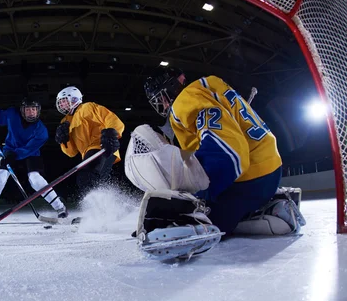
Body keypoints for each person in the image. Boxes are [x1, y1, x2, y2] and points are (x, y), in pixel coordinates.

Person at [124, 68, 304, 259]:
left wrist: (199, 200)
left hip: (247, 179)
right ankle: (268, 210)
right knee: (227, 212)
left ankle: (210, 220)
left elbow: (229, 153)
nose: (163, 104)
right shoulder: (210, 86)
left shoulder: (186, 101)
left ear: (173, 86)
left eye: (161, 97)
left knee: (191, 220)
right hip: (267, 171)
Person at [0, 98, 68, 222]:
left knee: (36, 179)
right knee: (0, 175)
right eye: (28, 109)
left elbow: (28, 149)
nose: (31, 112)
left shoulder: (42, 131)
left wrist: (12, 156)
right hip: (10, 150)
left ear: (38, 111)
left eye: (34, 109)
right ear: (22, 110)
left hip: (31, 154)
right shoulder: (12, 114)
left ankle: (60, 208)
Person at [53, 86, 125, 196]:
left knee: (86, 178)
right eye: (60, 102)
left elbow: (111, 118)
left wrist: (111, 133)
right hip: (88, 153)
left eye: (64, 101)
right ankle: (110, 206)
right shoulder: (65, 121)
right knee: (92, 181)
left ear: (74, 99)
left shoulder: (87, 107)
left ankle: (100, 206)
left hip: (102, 147)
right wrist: (63, 140)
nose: (61, 105)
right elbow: (71, 152)